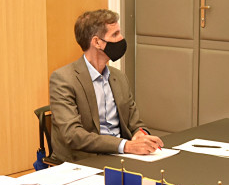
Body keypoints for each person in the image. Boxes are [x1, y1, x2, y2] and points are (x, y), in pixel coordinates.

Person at [49, 9, 163, 162]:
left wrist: (140, 135)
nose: (121, 38)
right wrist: (126, 146)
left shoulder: (119, 77)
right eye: (115, 34)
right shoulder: (63, 79)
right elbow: (73, 135)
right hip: (84, 161)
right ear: (97, 42)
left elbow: (135, 123)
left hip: (122, 156)